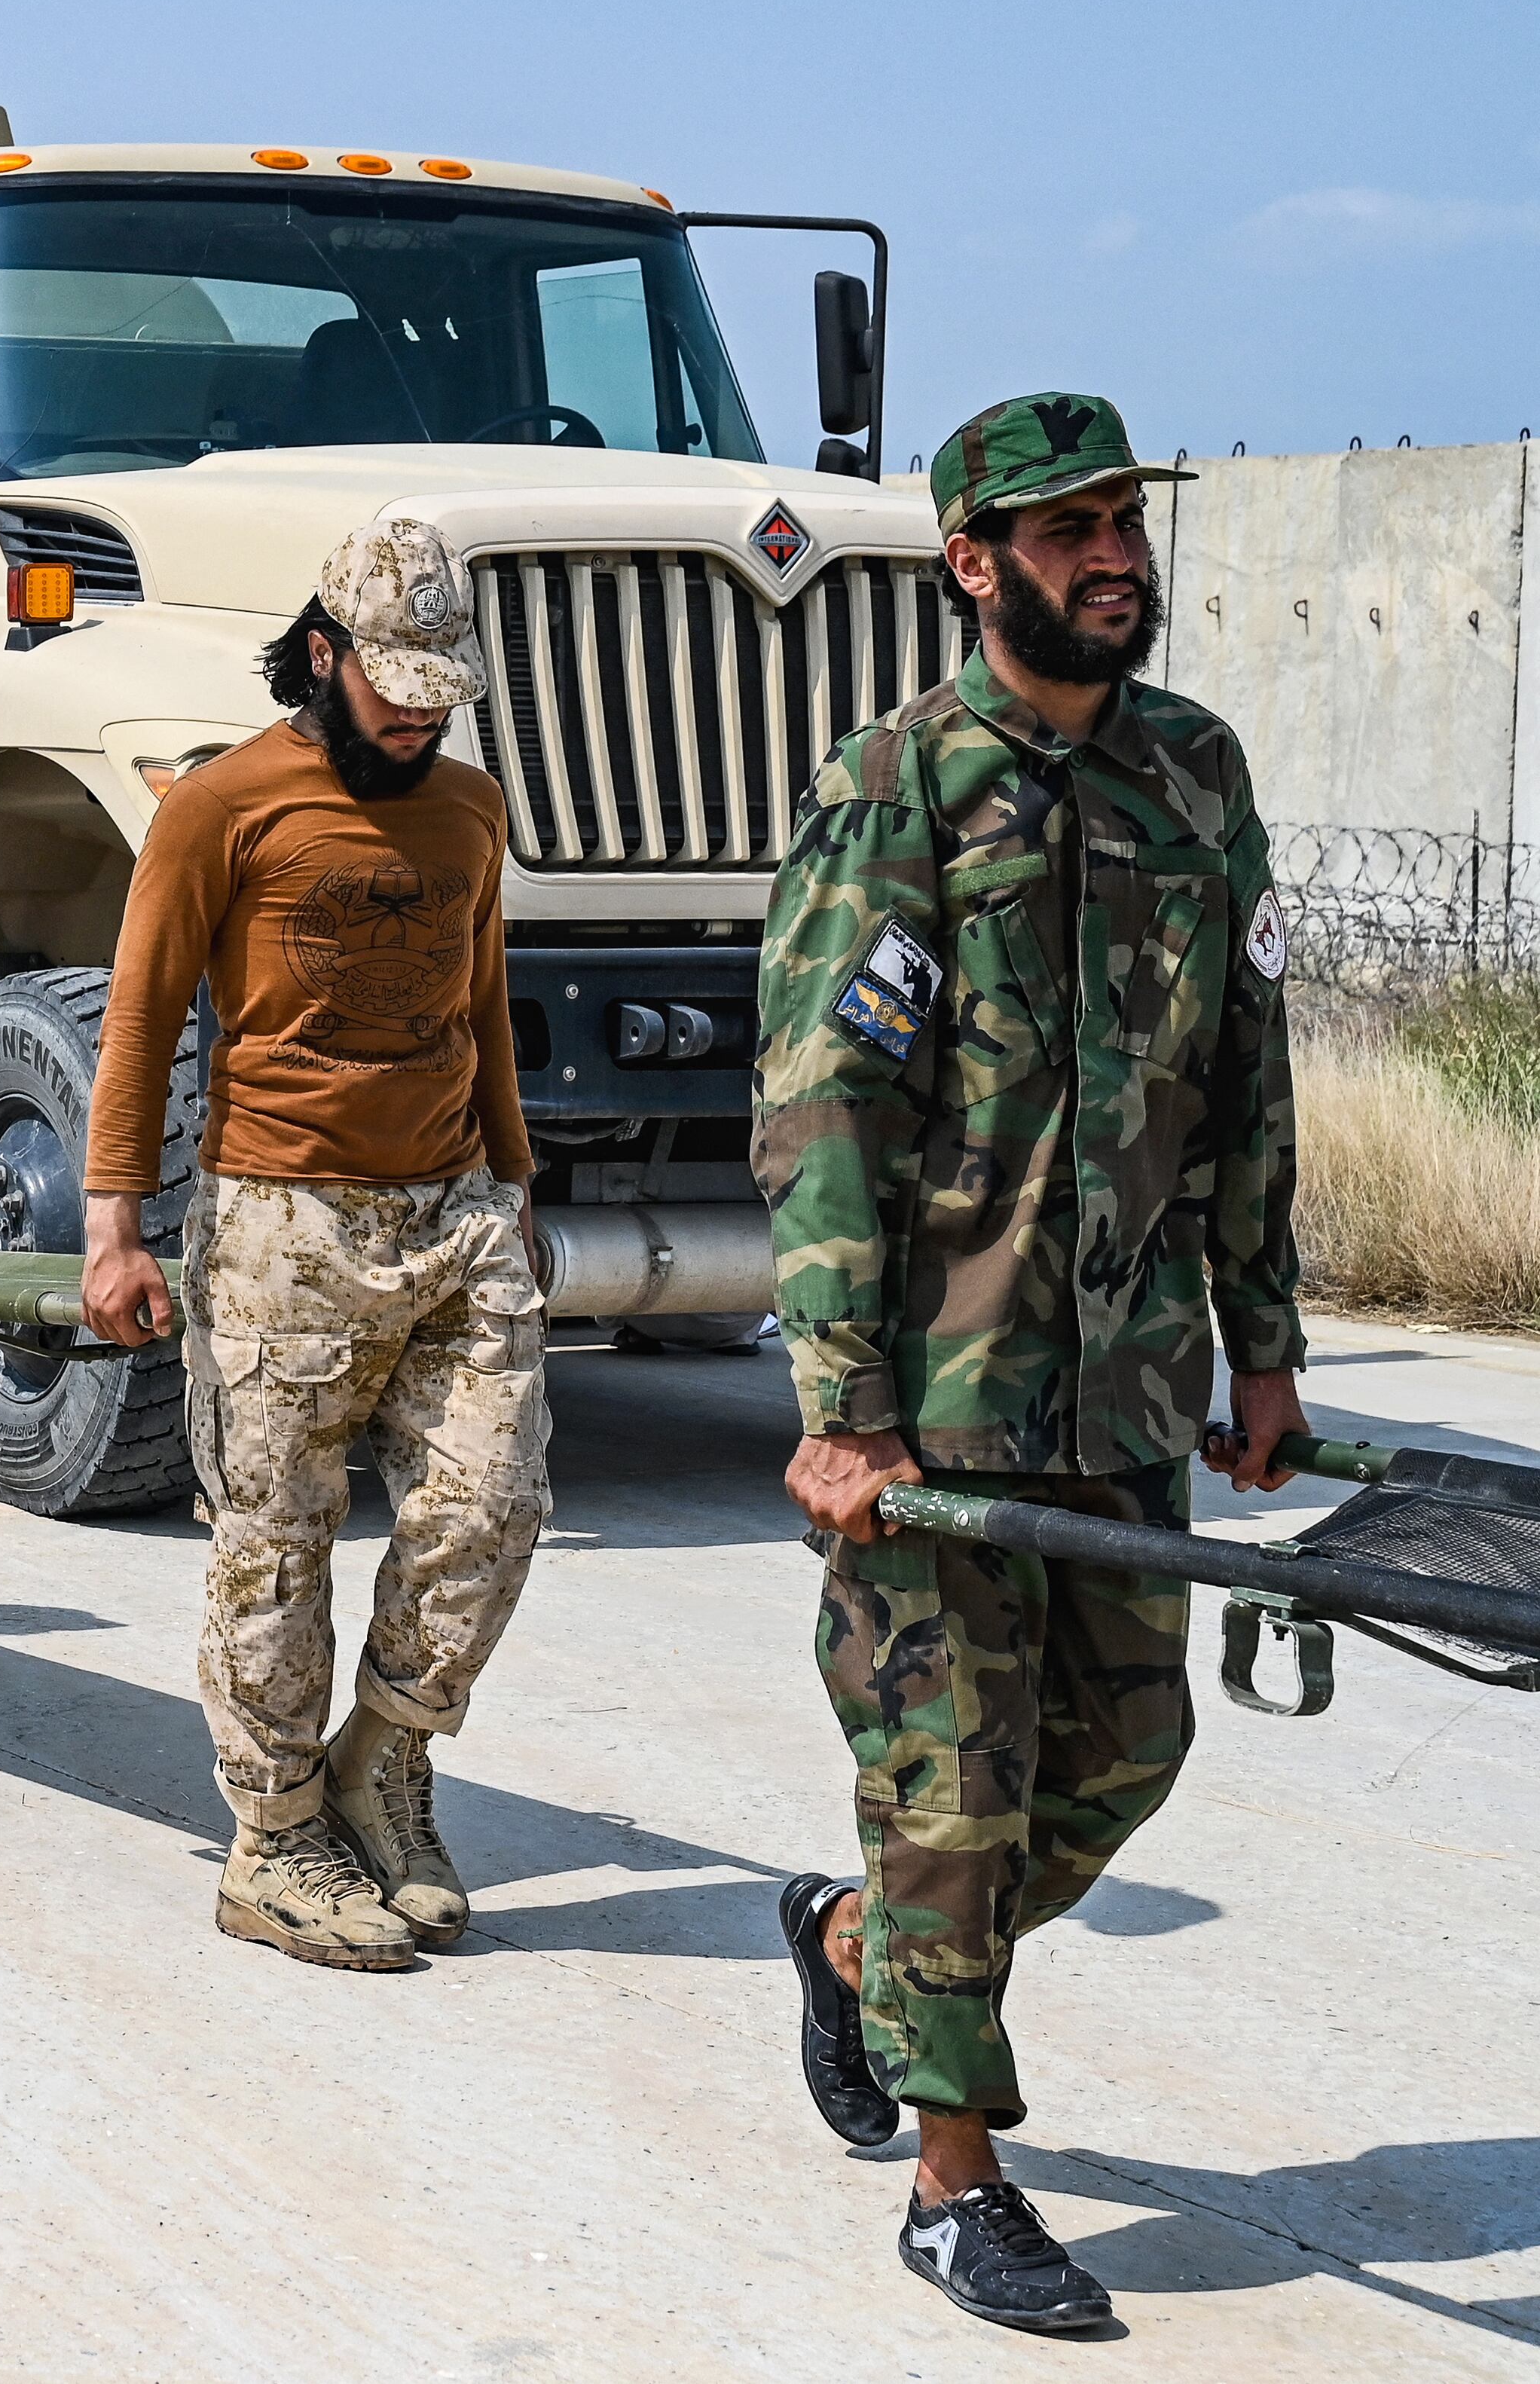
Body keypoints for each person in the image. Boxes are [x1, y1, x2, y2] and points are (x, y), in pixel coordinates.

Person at [756, 393, 1306, 2335]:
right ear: (971, 562)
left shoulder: (1193, 775)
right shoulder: (896, 786)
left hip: (1128, 1387)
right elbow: (824, 1099)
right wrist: (841, 1405)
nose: (1112, 556)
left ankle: (848, 1949)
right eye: (1065, 529)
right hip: (932, 1402)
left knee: (1122, 1762)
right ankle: (953, 2182)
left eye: (1122, 523)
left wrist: (1262, 1345)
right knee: (951, 1798)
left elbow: (1241, 1074)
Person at [80, 515, 550, 1976]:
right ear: (326, 651)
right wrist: (116, 1230)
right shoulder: (221, 804)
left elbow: (481, 1007)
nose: (416, 712)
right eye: (392, 679)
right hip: (280, 1218)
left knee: (494, 1503)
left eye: (439, 687)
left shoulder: (468, 810)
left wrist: (517, 1186)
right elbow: (144, 1014)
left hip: (457, 1205)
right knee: (272, 1550)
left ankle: (386, 1758)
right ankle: (274, 1840)